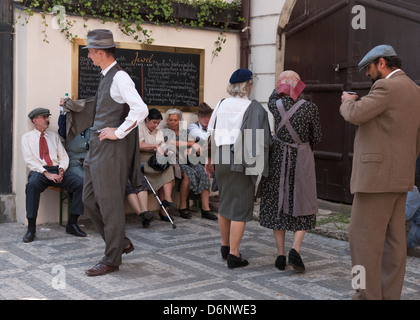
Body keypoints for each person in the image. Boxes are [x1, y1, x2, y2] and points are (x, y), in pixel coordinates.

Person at [340, 44, 420, 299]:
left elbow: (356, 114)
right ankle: (388, 295)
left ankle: (365, 294)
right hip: (400, 179)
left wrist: (347, 102)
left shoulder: (386, 86)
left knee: (360, 241)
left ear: (382, 63)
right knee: (394, 244)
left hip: (375, 180)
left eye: (369, 68)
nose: (366, 74)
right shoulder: (415, 90)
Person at [82, 29, 149, 277]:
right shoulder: (106, 76)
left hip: (110, 149)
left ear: (100, 52)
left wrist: (118, 132)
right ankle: (120, 242)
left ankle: (112, 258)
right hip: (97, 148)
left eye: (90, 52)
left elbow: (140, 109)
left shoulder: (120, 77)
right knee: (88, 199)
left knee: (110, 206)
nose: (88, 56)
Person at [206, 68, 271, 268]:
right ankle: (234, 254)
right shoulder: (255, 108)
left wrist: (209, 159)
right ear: (247, 85)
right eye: (251, 84)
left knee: (225, 203)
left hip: (221, 156)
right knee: (240, 206)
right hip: (243, 158)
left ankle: (225, 246)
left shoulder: (221, 104)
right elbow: (264, 139)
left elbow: (211, 132)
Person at [259, 71, 322, 273]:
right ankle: (295, 248)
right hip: (301, 159)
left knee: (278, 203)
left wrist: (281, 84)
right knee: (302, 200)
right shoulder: (310, 108)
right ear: (299, 86)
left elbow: (273, 95)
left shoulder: (273, 105)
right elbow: (317, 137)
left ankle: (280, 254)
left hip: (278, 158)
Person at [21, 108, 86, 243]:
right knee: (31, 186)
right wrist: (46, 173)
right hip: (39, 171)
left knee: (80, 183)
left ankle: (72, 224)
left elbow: (63, 155)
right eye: (44, 117)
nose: (47, 120)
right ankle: (31, 229)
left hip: (56, 169)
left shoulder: (54, 137)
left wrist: (62, 169)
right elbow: (29, 160)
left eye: (48, 117)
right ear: (35, 120)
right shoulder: (26, 138)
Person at [165, 108, 217, 220]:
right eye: (170, 120)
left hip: (190, 159)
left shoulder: (184, 132)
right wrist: (192, 144)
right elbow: (172, 143)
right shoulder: (166, 132)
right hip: (177, 162)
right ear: (167, 121)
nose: (173, 122)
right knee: (188, 175)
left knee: (203, 172)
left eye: (175, 120)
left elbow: (195, 148)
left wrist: (194, 149)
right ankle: (182, 206)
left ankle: (205, 208)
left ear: (180, 120)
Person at [139, 108, 178, 222]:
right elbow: (140, 145)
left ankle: (167, 200)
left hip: (155, 159)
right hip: (142, 159)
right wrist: (155, 146)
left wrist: (168, 151)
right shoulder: (140, 128)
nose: (156, 125)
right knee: (164, 173)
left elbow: (163, 145)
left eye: (158, 123)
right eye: (154, 122)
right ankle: (165, 206)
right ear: (147, 119)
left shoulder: (159, 132)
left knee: (168, 168)